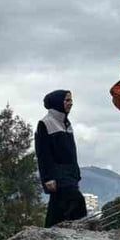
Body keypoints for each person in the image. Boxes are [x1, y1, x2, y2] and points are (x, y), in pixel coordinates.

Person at [35, 90, 86, 227]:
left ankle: (49, 232)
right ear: (58, 102)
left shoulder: (67, 124)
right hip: (57, 174)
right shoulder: (45, 123)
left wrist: (76, 174)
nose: (71, 103)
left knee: (57, 207)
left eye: (71, 100)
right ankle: (80, 229)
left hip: (71, 173)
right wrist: (48, 178)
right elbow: (43, 154)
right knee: (76, 200)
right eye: (67, 100)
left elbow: (72, 153)